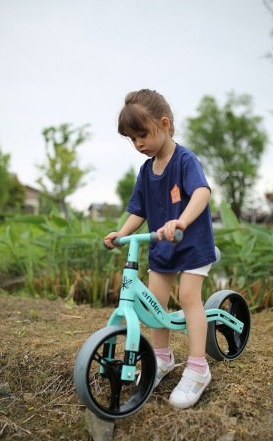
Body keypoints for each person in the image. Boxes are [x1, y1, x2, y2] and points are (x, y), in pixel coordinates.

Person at [104, 89, 217, 409]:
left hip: (191, 244)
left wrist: (180, 221)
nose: (138, 144)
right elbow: (138, 210)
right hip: (161, 248)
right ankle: (162, 359)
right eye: (132, 139)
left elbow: (202, 193)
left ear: (164, 124)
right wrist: (121, 233)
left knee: (188, 298)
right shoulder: (145, 170)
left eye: (142, 135)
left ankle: (197, 368)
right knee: (154, 303)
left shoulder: (185, 160)